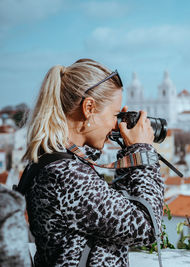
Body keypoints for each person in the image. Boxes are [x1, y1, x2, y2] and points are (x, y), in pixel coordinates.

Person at [22, 59, 165, 266]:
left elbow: (120, 205)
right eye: (115, 115)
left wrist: (128, 151)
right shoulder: (65, 174)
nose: (117, 125)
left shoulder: (57, 161)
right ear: (89, 107)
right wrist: (142, 151)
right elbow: (146, 227)